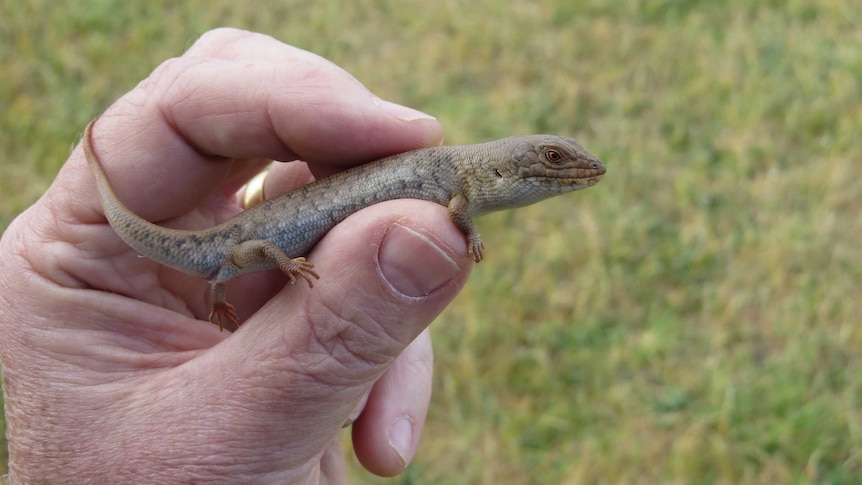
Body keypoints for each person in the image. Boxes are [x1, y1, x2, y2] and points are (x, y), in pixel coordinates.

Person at [0, 28, 474, 483]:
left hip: (233, 252)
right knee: (245, 255)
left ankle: (228, 289)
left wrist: (227, 288)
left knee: (230, 261)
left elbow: (230, 262)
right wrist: (288, 265)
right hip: (246, 245)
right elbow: (252, 252)